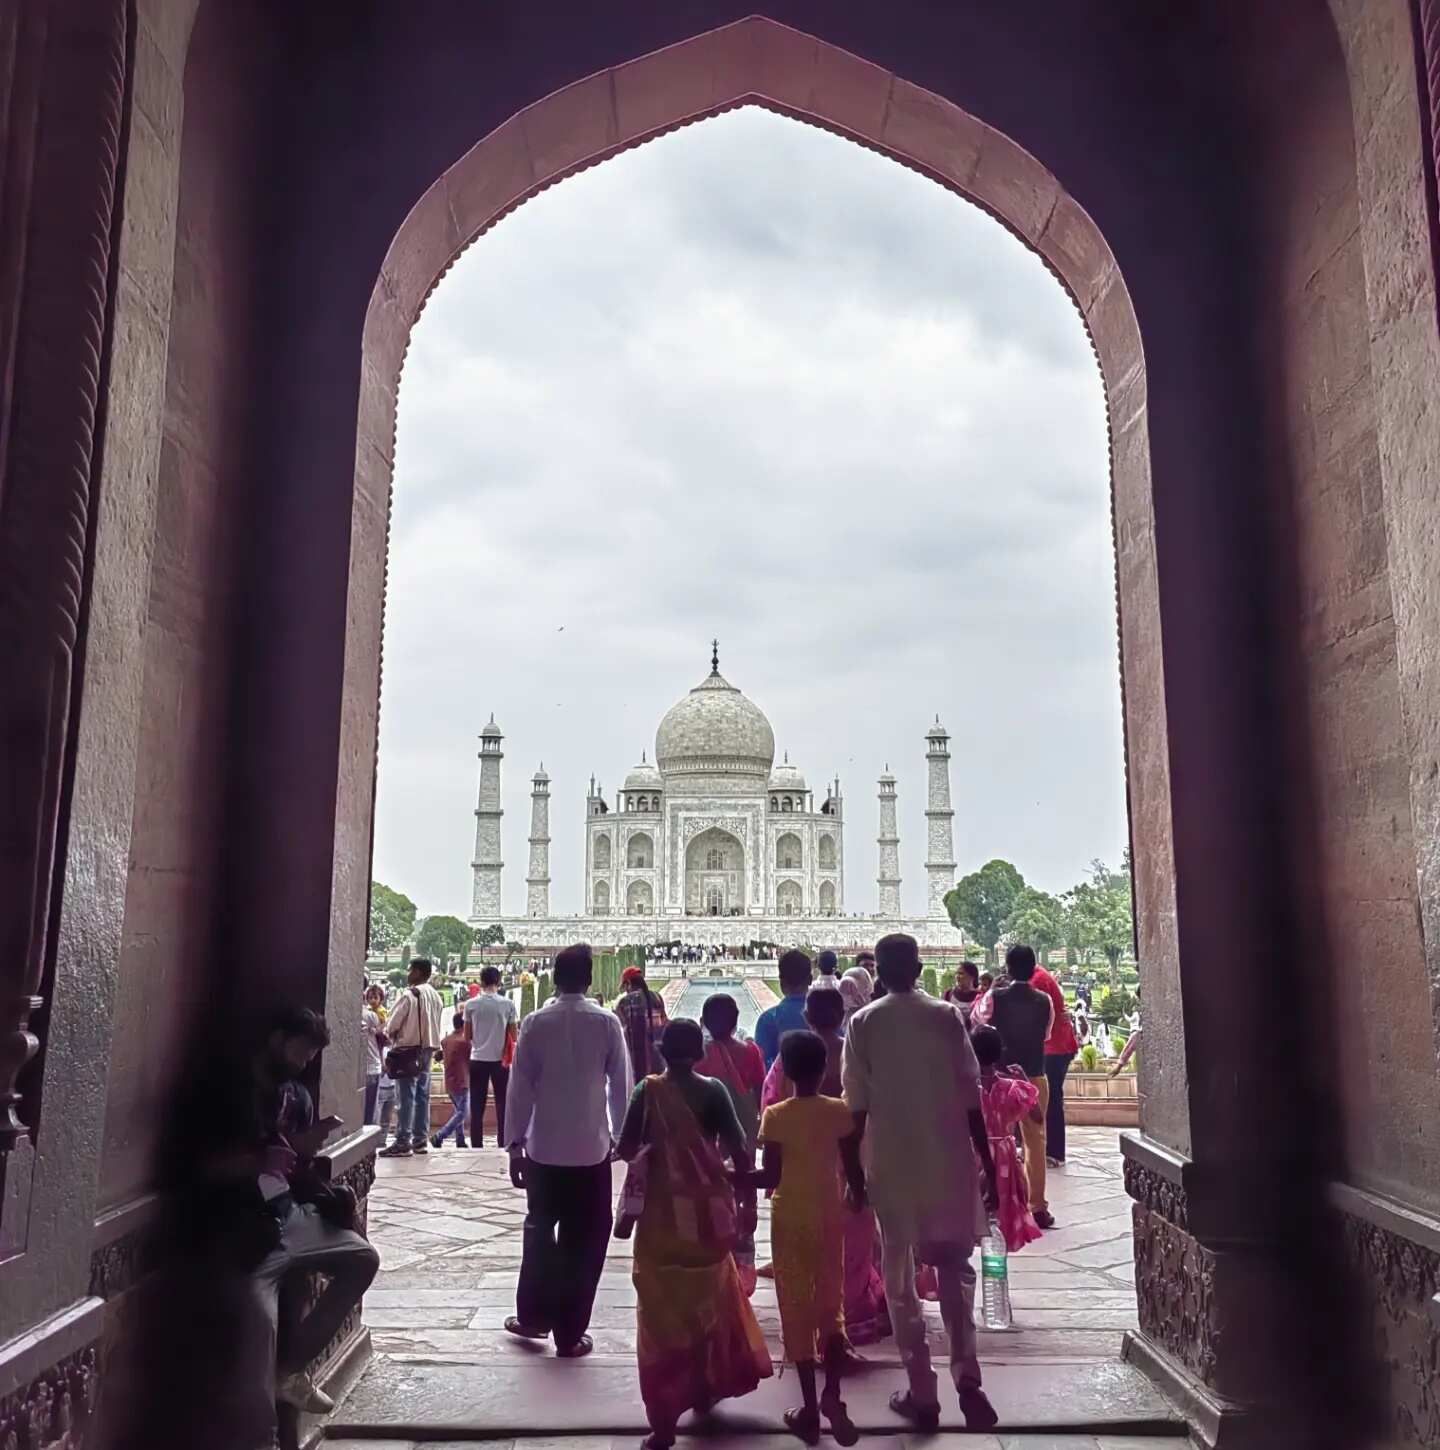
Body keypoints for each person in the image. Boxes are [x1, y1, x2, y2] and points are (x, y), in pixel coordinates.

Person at [842, 933, 999, 1434]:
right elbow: (971, 1093)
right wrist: (988, 1161)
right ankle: (968, 1378)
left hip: (892, 1162)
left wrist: (851, 1174)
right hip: (948, 1157)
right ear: (918, 966)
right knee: (955, 1268)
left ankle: (921, 1391)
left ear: (880, 972)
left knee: (901, 1279)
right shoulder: (946, 1016)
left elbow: (855, 1108)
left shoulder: (864, 1022)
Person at [616, 1019, 771, 1450]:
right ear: (699, 1054)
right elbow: (741, 1153)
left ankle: (663, 1425)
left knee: (660, 1318)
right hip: (706, 1220)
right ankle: (703, 1390)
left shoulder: (647, 1092)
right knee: (708, 1309)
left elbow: (626, 1149)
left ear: (662, 1051)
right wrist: (746, 1202)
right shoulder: (714, 1092)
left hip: (662, 1222)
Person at [224, 1006, 378, 1432]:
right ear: (277, 1038)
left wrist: (307, 1161)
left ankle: (291, 1371)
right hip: (247, 1230)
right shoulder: (233, 1093)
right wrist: (256, 1159)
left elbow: (297, 1165)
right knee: (259, 1338)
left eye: (312, 1054)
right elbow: (198, 1166)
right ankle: (262, 1436)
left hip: (288, 1213)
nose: (306, 1061)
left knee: (362, 1258)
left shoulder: (297, 1095)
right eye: (303, 1049)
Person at [504, 943, 632, 1357]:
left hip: (543, 1149)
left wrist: (514, 1144)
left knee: (540, 1233)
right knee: (586, 1241)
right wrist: (621, 1136)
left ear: (555, 979)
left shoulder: (537, 1023)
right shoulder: (606, 1022)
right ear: (590, 979)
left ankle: (534, 1317)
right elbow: (621, 1086)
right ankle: (570, 1334)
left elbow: (519, 1087)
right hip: (591, 1151)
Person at [746, 1030, 864, 1447]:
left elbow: (770, 1178)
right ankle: (833, 1394)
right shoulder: (840, 1111)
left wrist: (726, 1176)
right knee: (832, 1305)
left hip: (790, 1218)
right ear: (825, 1067)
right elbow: (855, 1176)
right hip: (829, 1215)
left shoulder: (776, 1115)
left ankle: (810, 1409)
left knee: (796, 1306)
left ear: (787, 1070)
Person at [760, 986, 890, 1348]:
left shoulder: (790, 1058)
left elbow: (772, 1103)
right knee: (854, 1240)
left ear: (806, 1016)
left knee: (810, 1248)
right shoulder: (855, 1050)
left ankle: (814, 1324)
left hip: (804, 1159)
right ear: (843, 1013)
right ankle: (853, 1319)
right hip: (852, 1150)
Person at [974, 944, 1055, 1228]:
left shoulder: (993, 996)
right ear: (1034, 969)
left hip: (999, 1077)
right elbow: (1045, 1035)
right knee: (1035, 1140)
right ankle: (1038, 1206)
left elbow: (979, 1026)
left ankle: (992, 1200)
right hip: (1033, 1074)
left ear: (1006, 968)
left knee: (993, 1138)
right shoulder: (1044, 1000)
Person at [696, 992, 766, 1295]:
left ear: (704, 1023)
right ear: (737, 1021)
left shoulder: (698, 1054)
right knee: (743, 1194)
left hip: (707, 1137)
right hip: (742, 1133)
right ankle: (742, 1265)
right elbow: (761, 1091)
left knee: (708, 1195)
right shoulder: (750, 1052)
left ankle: (711, 1261)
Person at [969, 1026, 1043, 1252]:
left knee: (975, 1204)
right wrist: (1025, 1080)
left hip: (974, 1154)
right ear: (1000, 1052)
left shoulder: (967, 1089)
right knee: (1004, 1205)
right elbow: (1038, 1118)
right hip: (1004, 1156)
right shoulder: (1012, 1089)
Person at [379, 957, 446, 1157]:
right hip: (427, 1049)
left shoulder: (410, 995)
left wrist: (388, 1033)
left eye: (410, 970)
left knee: (406, 1097)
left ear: (417, 972)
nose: (408, 974)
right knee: (422, 1097)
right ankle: (420, 1141)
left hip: (408, 1050)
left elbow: (392, 1025)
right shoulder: (436, 996)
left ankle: (402, 1141)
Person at [464, 965, 517, 1148]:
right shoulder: (507, 1004)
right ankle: (502, 1142)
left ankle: (476, 1144)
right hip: (500, 1061)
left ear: (481, 981)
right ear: (498, 981)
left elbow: (466, 1036)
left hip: (477, 1058)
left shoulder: (471, 1005)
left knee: (477, 1105)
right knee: (502, 1103)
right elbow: (514, 1035)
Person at [1032, 961, 1079, 1167]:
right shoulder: (1040, 976)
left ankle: (1053, 1152)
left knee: (1050, 1099)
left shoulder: (1037, 980)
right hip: (1056, 1046)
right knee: (1048, 1098)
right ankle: (1050, 1151)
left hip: (1054, 1047)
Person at [754, 948, 813, 1069]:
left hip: (781, 1086)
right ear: (810, 979)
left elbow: (763, 1065)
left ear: (781, 982)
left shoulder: (768, 1019)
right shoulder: (827, 1015)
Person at [615, 965, 669, 1079]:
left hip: (634, 1066)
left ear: (628, 983)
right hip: (658, 1064)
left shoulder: (624, 1002)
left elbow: (618, 1035)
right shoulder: (657, 997)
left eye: (625, 987)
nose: (625, 991)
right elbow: (665, 1023)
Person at [430, 1012, 470, 1149]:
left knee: (458, 1110)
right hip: (462, 1080)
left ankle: (460, 1139)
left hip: (450, 1081)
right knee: (463, 1112)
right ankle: (440, 1135)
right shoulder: (465, 1041)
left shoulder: (447, 1040)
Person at [362, 985, 386, 1125]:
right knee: (370, 1109)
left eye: (375, 998)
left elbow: (382, 1032)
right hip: (372, 1065)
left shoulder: (379, 1013)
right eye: (370, 997)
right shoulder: (370, 1014)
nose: (372, 1000)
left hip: (369, 1063)